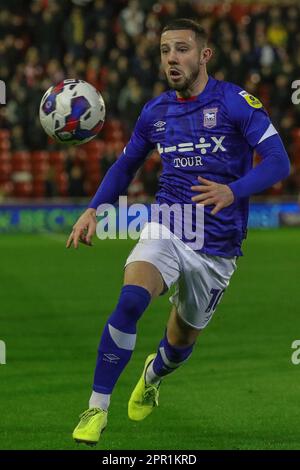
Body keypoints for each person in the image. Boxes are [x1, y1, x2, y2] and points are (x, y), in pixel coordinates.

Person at [67, 19, 290, 446]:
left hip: (220, 246)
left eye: (182, 49)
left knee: (180, 343)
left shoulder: (236, 103)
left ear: (204, 55)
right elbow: (125, 166)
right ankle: (96, 408)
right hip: (171, 223)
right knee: (131, 300)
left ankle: (154, 374)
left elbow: (279, 162)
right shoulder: (155, 112)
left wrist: (233, 190)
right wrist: (93, 209)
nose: (172, 58)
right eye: (166, 50)